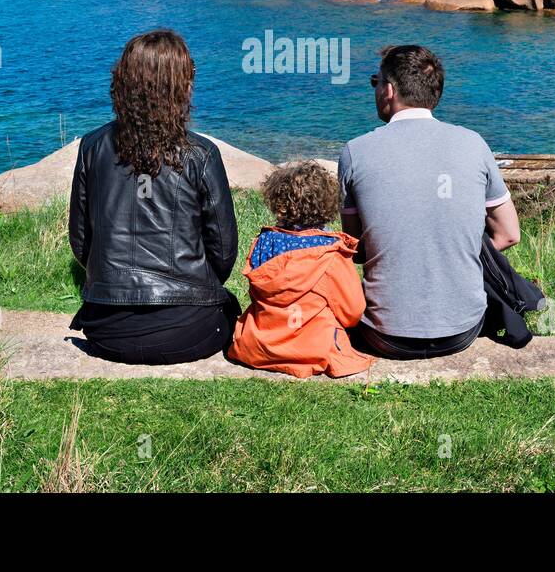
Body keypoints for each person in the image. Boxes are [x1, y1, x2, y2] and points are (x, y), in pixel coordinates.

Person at [68, 29, 241, 365]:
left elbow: (81, 241)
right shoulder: (201, 154)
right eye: (190, 74)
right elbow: (223, 252)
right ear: (179, 87)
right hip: (188, 329)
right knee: (231, 309)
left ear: (124, 83)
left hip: (107, 328)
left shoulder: (92, 146)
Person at [339, 44, 521, 359]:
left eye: (376, 82)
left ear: (389, 90)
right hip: (462, 331)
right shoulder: (473, 144)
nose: (376, 89)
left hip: (384, 334)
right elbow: (508, 234)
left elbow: (354, 244)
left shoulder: (356, 151)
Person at [228, 162, 374, 379]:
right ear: (327, 204)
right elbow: (352, 311)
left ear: (278, 203)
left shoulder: (264, 243)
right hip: (315, 347)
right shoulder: (330, 253)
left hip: (261, 344)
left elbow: (258, 296)